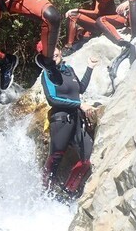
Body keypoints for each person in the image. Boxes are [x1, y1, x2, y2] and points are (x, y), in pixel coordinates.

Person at [40, 46, 98, 197]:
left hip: (77, 119)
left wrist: (90, 67)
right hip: (61, 120)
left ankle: (68, 191)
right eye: (48, 54)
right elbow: (52, 99)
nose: (53, 54)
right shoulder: (47, 74)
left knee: (87, 157)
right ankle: (44, 195)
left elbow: (81, 89)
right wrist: (79, 105)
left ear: (60, 51)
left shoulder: (69, 69)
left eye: (54, 50)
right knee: (56, 158)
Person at [64, 0, 133, 52]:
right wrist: (82, 27)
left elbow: (96, 12)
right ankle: (70, 46)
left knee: (73, 16)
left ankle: (69, 46)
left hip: (111, 21)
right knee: (78, 24)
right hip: (100, 22)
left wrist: (78, 10)